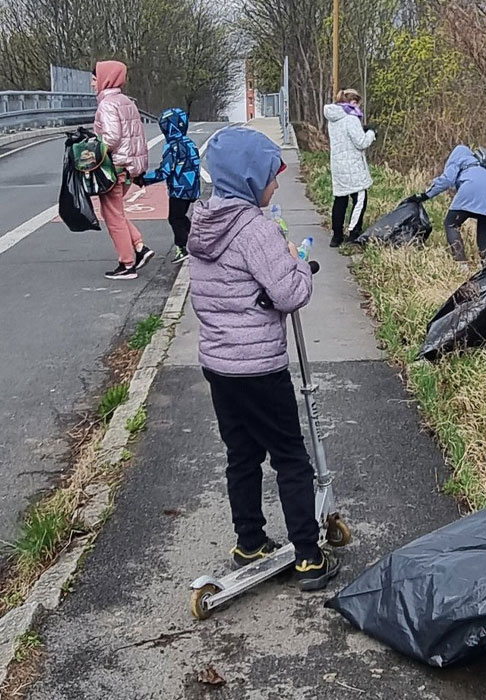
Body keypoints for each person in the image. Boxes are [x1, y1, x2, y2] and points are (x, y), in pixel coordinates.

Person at [188, 127, 340, 591]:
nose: (276, 184)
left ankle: (249, 541)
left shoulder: (203, 224)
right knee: (290, 456)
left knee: (242, 454)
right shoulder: (256, 229)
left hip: (219, 365)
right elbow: (289, 293)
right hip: (259, 367)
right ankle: (309, 556)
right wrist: (298, 262)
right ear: (251, 179)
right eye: (272, 176)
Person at [92, 61, 153, 280]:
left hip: (114, 168)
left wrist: (93, 150)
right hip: (129, 169)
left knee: (113, 217)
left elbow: (111, 137)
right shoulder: (127, 102)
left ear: (105, 79)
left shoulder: (107, 105)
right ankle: (139, 247)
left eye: (95, 78)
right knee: (116, 212)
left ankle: (127, 264)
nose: (92, 83)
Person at [408, 145, 486, 264]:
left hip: (473, 187)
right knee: (484, 239)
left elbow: (447, 180)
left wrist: (424, 195)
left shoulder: (459, 154)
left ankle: (462, 265)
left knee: (451, 224)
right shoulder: (481, 163)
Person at [135, 108, 201, 264]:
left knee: (175, 218)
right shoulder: (189, 143)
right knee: (181, 216)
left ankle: (183, 247)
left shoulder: (172, 147)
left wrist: (143, 179)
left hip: (178, 189)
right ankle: (196, 238)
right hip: (192, 188)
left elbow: (165, 171)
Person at [324, 89, 375, 247]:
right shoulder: (351, 119)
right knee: (360, 199)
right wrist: (371, 132)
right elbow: (361, 143)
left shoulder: (333, 119)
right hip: (353, 167)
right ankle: (353, 233)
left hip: (338, 166)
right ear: (353, 102)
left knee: (340, 200)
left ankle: (337, 236)